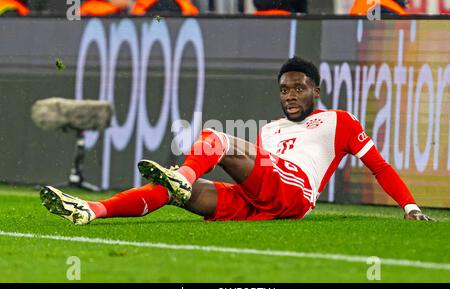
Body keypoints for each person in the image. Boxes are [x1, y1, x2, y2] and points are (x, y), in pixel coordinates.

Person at [39, 57, 435, 225]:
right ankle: (93, 209)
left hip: (293, 192)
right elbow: (260, 168)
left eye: (299, 88)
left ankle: (186, 175)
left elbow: (379, 166)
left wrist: (410, 206)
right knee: (172, 187)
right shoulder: (269, 130)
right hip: (261, 196)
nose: (290, 95)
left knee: (215, 136)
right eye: (284, 90)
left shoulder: (339, 121)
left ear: (315, 89)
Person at [130, 0, 199, 16]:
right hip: (154, 22)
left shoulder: (180, 3)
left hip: (176, 23)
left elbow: (193, 13)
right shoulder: (146, 2)